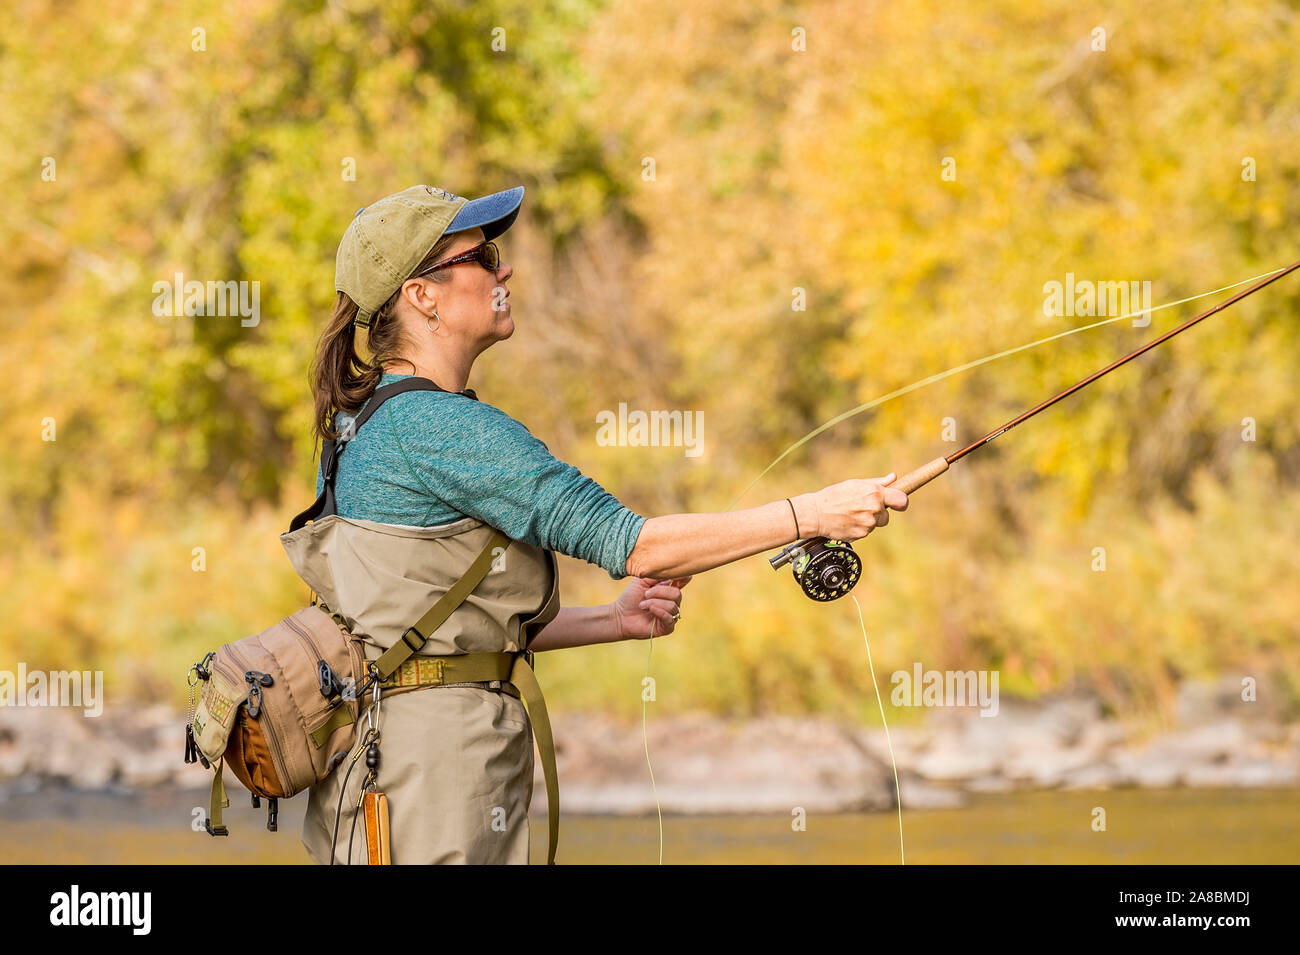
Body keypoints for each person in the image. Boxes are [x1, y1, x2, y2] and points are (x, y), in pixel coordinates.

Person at [284, 184, 908, 865]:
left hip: (379, 771)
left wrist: (614, 621)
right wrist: (811, 512)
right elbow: (636, 545)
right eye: (482, 255)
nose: (505, 270)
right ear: (421, 295)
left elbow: (425, 629)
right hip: (434, 775)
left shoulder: (356, 425)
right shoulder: (440, 426)